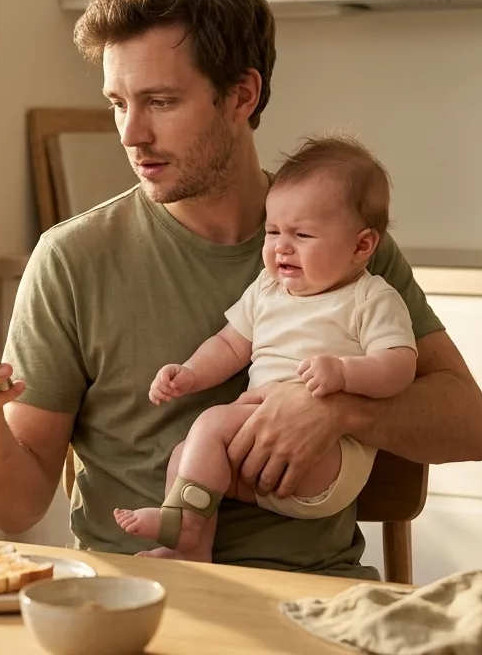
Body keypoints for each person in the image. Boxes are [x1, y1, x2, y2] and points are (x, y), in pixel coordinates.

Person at [0, 0, 482, 579]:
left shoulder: (339, 245)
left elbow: (470, 428)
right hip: (137, 596)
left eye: (161, 101)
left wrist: (340, 411)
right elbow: (16, 509)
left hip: (311, 595)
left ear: (241, 95)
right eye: (118, 103)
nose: (130, 134)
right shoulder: (72, 259)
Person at [115, 135, 419, 562]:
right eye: (273, 231)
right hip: (259, 456)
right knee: (189, 456)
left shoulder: (370, 298)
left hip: (329, 459)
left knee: (212, 423)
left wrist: (345, 374)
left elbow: (400, 364)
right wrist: (190, 374)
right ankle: (191, 550)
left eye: (303, 234)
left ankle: (180, 522)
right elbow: (229, 344)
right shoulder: (267, 289)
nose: (281, 247)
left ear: (362, 245)